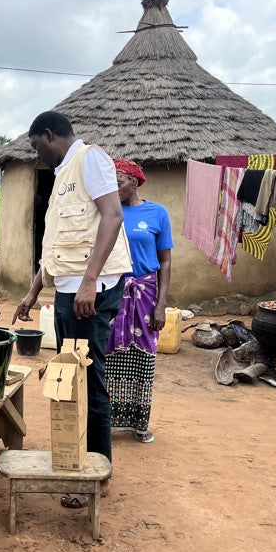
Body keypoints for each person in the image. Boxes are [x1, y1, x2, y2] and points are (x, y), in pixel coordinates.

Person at [11, 111, 132, 509]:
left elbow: (112, 217)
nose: (37, 155)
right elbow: (57, 245)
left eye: (36, 146)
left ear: (49, 135)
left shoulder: (90, 159)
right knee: (70, 374)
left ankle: (97, 472)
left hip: (90, 291)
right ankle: (77, 458)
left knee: (87, 378)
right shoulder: (63, 174)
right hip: (70, 292)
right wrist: (32, 293)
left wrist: (88, 281)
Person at [103, 159, 173, 444]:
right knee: (108, 354)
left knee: (144, 356)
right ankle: (106, 420)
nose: (115, 188)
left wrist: (161, 304)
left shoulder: (157, 213)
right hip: (113, 290)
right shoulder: (108, 212)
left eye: (119, 182)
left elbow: (166, 261)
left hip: (145, 294)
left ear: (135, 182)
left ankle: (139, 422)